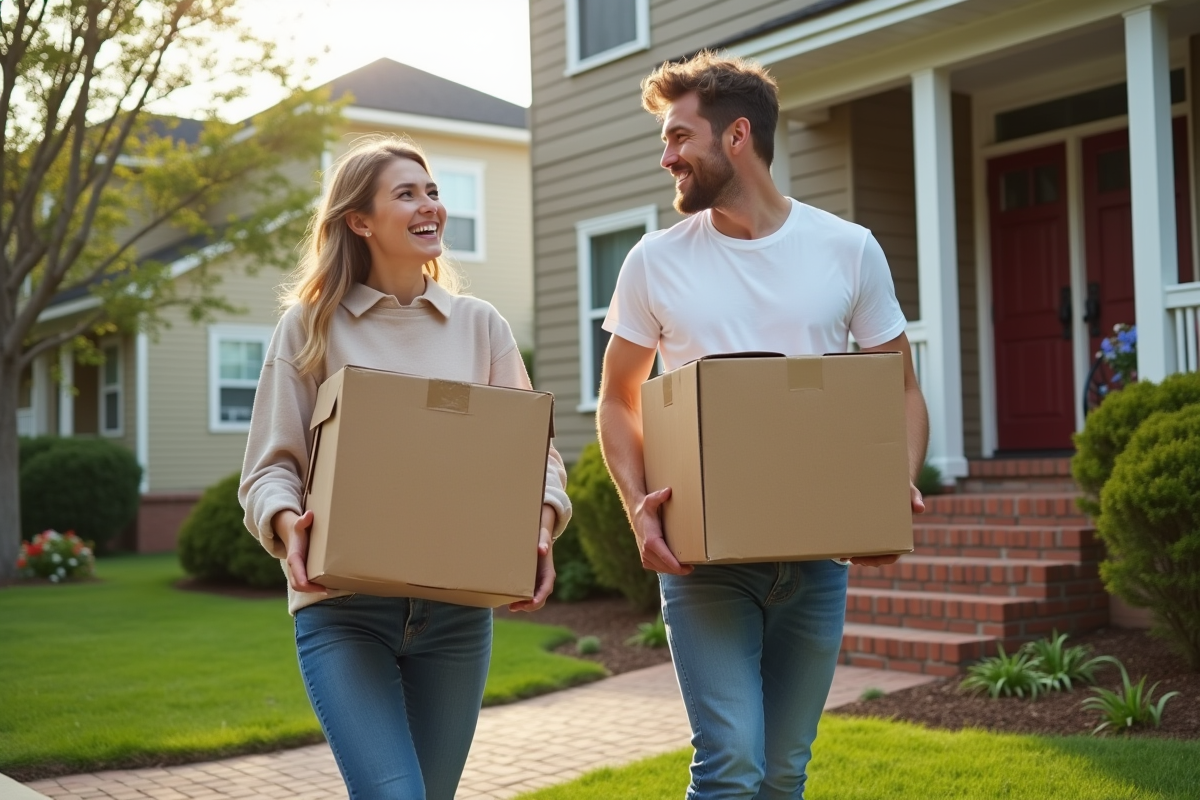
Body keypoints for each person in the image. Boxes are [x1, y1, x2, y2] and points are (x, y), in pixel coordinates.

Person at [596, 52, 929, 799]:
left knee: (782, 773)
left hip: (818, 560)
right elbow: (617, 398)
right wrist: (638, 506)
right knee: (730, 764)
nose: (666, 156)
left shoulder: (847, 249)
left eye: (679, 136)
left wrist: (891, 486)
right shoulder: (655, 261)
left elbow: (901, 388)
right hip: (704, 560)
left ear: (737, 135)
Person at [239, 135, 570, 800]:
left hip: (456, 614)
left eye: (434, 192)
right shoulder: (310, 327)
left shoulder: (480, 326)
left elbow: (536, 455)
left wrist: (539, 527)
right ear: (360, 221)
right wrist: (286, 523)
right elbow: (270, 468)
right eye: (408, 194)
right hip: (344, 610)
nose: (431, 206)